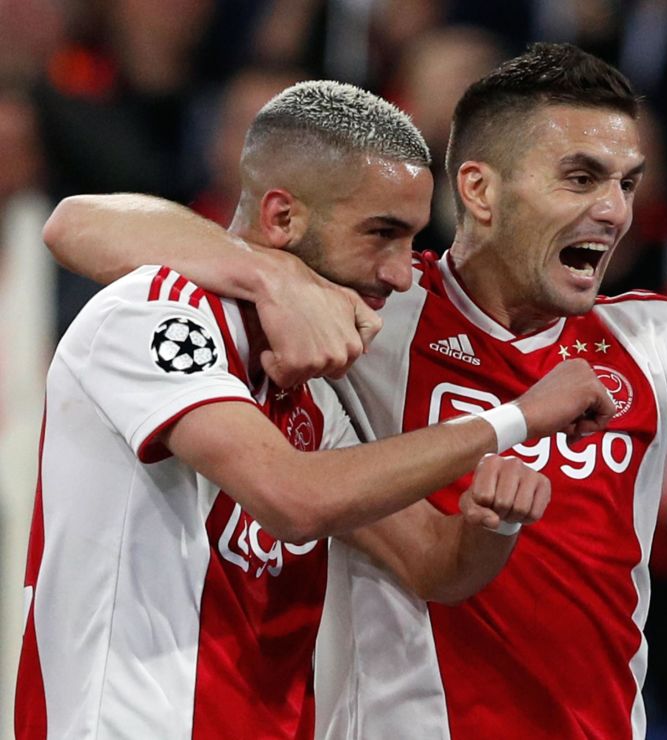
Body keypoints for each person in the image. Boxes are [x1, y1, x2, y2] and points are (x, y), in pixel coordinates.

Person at [44, 43, 667, 739]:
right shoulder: (370, 312)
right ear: (480, 189)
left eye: (627, 180)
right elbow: (87, 224)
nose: (615, 210)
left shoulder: (659, 341)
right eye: (581, 176)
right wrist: (270, 278)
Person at [17, 79, 615, 738]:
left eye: (411, 237)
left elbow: (433, 562)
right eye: (381, 234)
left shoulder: (312, 393)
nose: (400, 273)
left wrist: (491, 524)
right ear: (281, 219)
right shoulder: (154, 315)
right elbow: (290, 497)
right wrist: (515, 418)